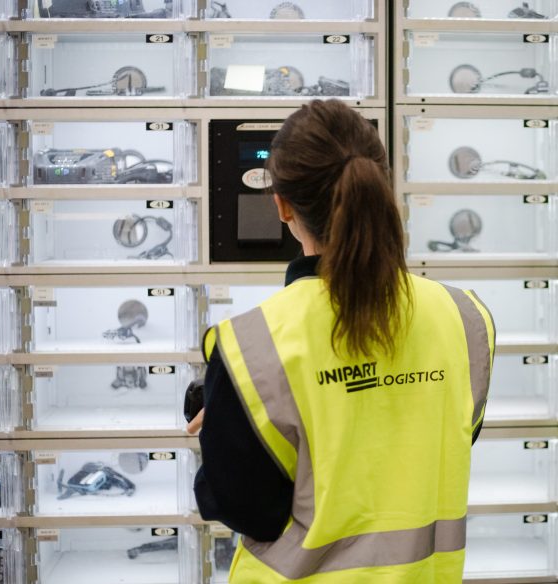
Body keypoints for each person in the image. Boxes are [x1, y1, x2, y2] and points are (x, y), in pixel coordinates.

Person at [188, 99, 495, 583]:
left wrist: (224, 420)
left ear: (282, 205)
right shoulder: (464, 317)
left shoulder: (252, 345)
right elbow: (450, 439)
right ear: (380, 186)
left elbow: (244, 509)